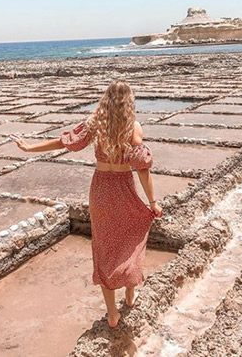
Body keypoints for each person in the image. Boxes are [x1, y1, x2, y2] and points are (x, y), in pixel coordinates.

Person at [10, 79, 163, 328]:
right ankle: (130, 293)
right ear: (129, 101)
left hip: (101, 189)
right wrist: (153, 202)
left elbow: (64, 142)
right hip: (124, 187)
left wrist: (30, 147)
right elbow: (143, 169)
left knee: (104, 248)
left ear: (106, 100)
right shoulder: (134, 128)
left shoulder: (96, 125)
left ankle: (113, 314)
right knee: (130, 238)